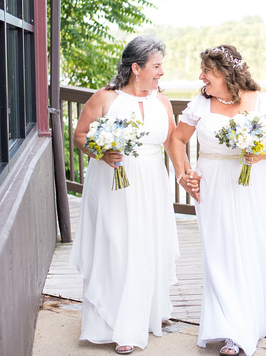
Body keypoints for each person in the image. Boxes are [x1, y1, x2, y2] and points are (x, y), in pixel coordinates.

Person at [169, 45, 266, 356]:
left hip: (255, 183)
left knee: (252, 247)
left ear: (225, 73)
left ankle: (246, 326)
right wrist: (184, 174)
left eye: (206, 71)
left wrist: (260, 152)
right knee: (220, 252)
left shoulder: (263, 101)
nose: (200, 76)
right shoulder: (201, 103)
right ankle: (227, 326)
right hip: (212, 186)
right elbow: (176, 139)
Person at [69, 36, 183, 354]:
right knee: (116, 245)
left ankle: (147, 314)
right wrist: (102, 153)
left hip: (152, 185)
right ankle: (115, 325)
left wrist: (186, 175)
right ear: (136, 68)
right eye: (156, 66)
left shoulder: (162, 100)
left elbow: (172, 140)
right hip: (112, 184)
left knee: (148, 245)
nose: (161, 72)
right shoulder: (106, 98)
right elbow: (80, 135)